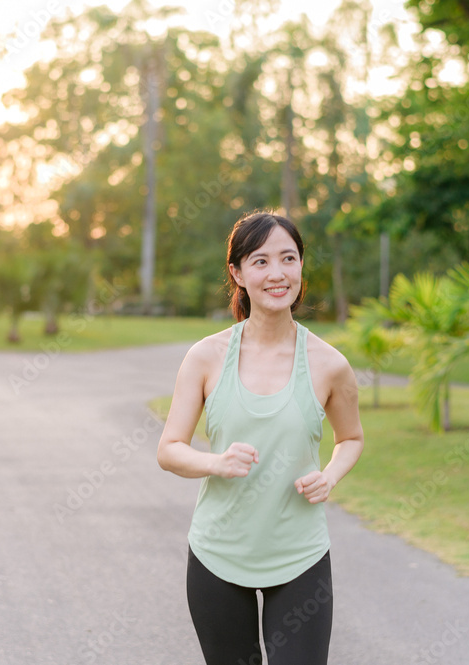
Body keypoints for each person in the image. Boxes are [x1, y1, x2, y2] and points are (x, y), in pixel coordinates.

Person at [156, 210, 365, 665]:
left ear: (301, 267)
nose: (277, 273)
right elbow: (169, 450)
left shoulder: (329, 364)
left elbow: (351, 438)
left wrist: (330, 475)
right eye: (261, 261)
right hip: (218, 555)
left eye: (288, 259)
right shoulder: (206, 357)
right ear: (238, 272)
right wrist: (216, 462)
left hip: (300, 556)